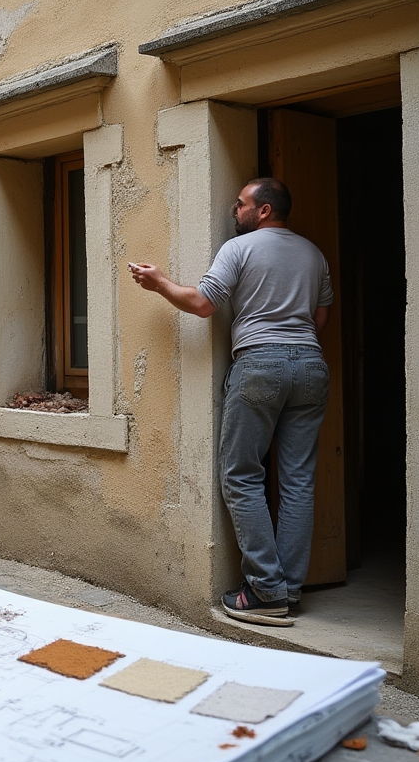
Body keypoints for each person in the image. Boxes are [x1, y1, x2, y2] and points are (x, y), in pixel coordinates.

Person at [129, 179, 333, 628]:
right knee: (298, 480)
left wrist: (159, 282)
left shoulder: (237, 249)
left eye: (240, 203)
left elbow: (203, 305)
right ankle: (290, 590)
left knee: (241, 474)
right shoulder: (314, 254)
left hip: (260, 362)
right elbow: (319, 318)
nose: (233, 209)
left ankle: (264, 590)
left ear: (262, 210)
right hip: (312, 367)